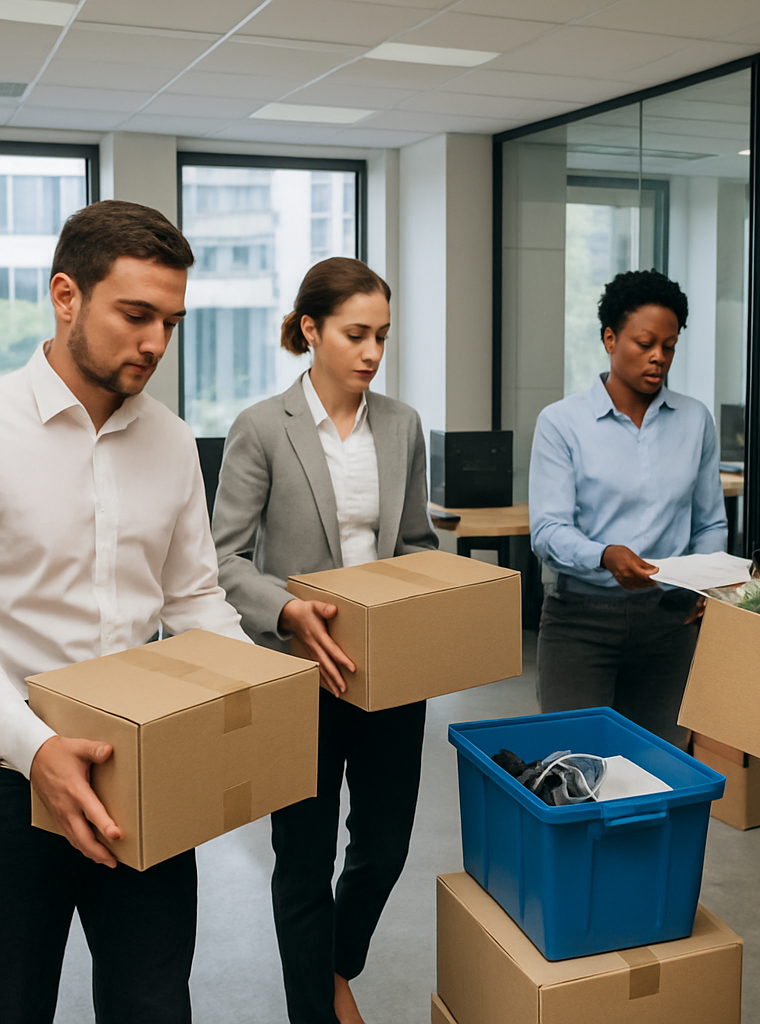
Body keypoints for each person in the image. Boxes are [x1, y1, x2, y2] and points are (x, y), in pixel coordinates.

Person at [0, 199, 252, 1024]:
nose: (155, 344)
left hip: (145, 773)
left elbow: (192, 598)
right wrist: (35, 750)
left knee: (152, 1004)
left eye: (171, 323)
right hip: (11, 777)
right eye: (136, 315)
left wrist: (258, 691)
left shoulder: (175, 442)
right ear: (65, 296)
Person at [212, 257, 436, 1024]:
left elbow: (413, 543)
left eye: (381, 335)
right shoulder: (260, 428)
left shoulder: (403, 425)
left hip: (389, 673)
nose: (372, 351)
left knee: (386, 847)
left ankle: (336, 964)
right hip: (299, 675)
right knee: (302, 860)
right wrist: (287, 613)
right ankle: (317, 1006)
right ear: (311, 330)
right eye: (354, 333)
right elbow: (224, 559)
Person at [529, 268, 727, 745]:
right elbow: (548, 530)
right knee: (573, 767)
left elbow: (711, 522)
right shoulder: (562, 423)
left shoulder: (695, 419)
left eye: (670, 345)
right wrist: (604, 555)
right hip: (580, 619)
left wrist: (708, 580)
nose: (658, 357)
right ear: (610, 338)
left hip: (669, 621)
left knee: (659, 768)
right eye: (644, 343)